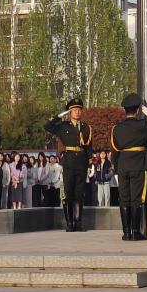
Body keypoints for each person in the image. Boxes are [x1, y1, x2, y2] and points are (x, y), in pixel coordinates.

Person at [110, 93, 147, 240]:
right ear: (137, 110)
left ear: (125, 110)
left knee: (124, 199)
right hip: (138, 164)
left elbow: (115, 150)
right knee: (137, 198)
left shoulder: (116, 128)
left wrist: (116, 167)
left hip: (123, 165)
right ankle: (135, 232)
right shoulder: (143, 125)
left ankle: (126, 232)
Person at [44, 97, 93, 232]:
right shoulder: (63, 126)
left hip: (82, 163)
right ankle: (69, 223)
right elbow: (47, 126)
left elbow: (89, 147)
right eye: (74, 110)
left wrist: (89, 164)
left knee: (79, 194)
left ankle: (78, 222)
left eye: (79, 110)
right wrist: (60, 116)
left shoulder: (86, 127)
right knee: (68, 193)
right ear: (70, 112)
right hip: (69, 162)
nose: (77, 112)